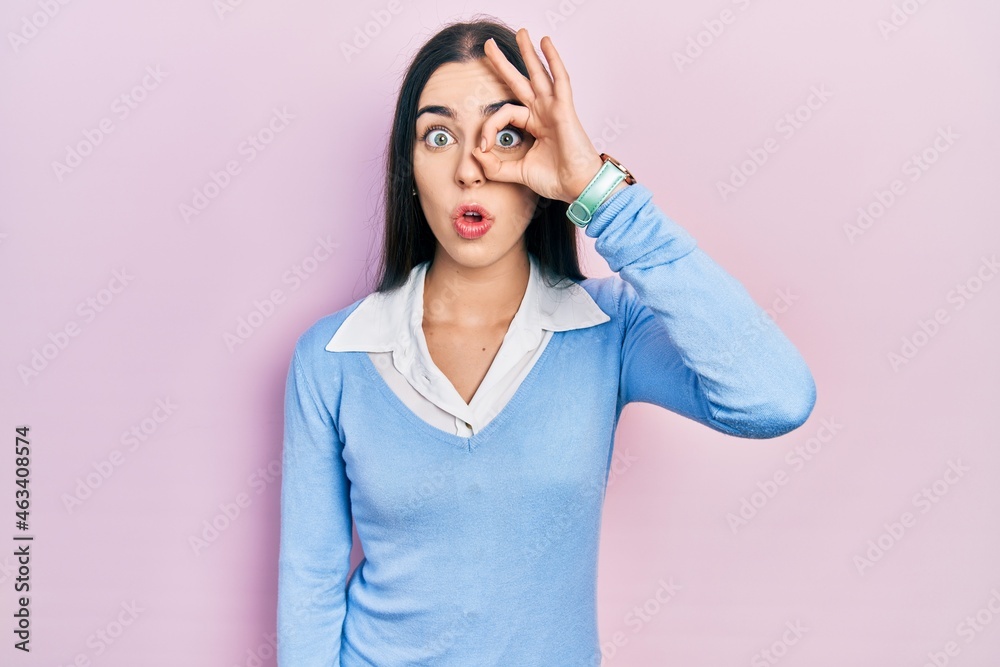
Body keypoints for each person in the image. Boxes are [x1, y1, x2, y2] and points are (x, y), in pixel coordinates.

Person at [277, 17, 816, 666]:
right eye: (439, 135)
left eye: (505, 135)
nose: (471, 169)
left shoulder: (609, 330)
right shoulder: (329, 358)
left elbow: (777, 398)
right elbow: (308, 590)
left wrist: (599, 192)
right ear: (409, 165)